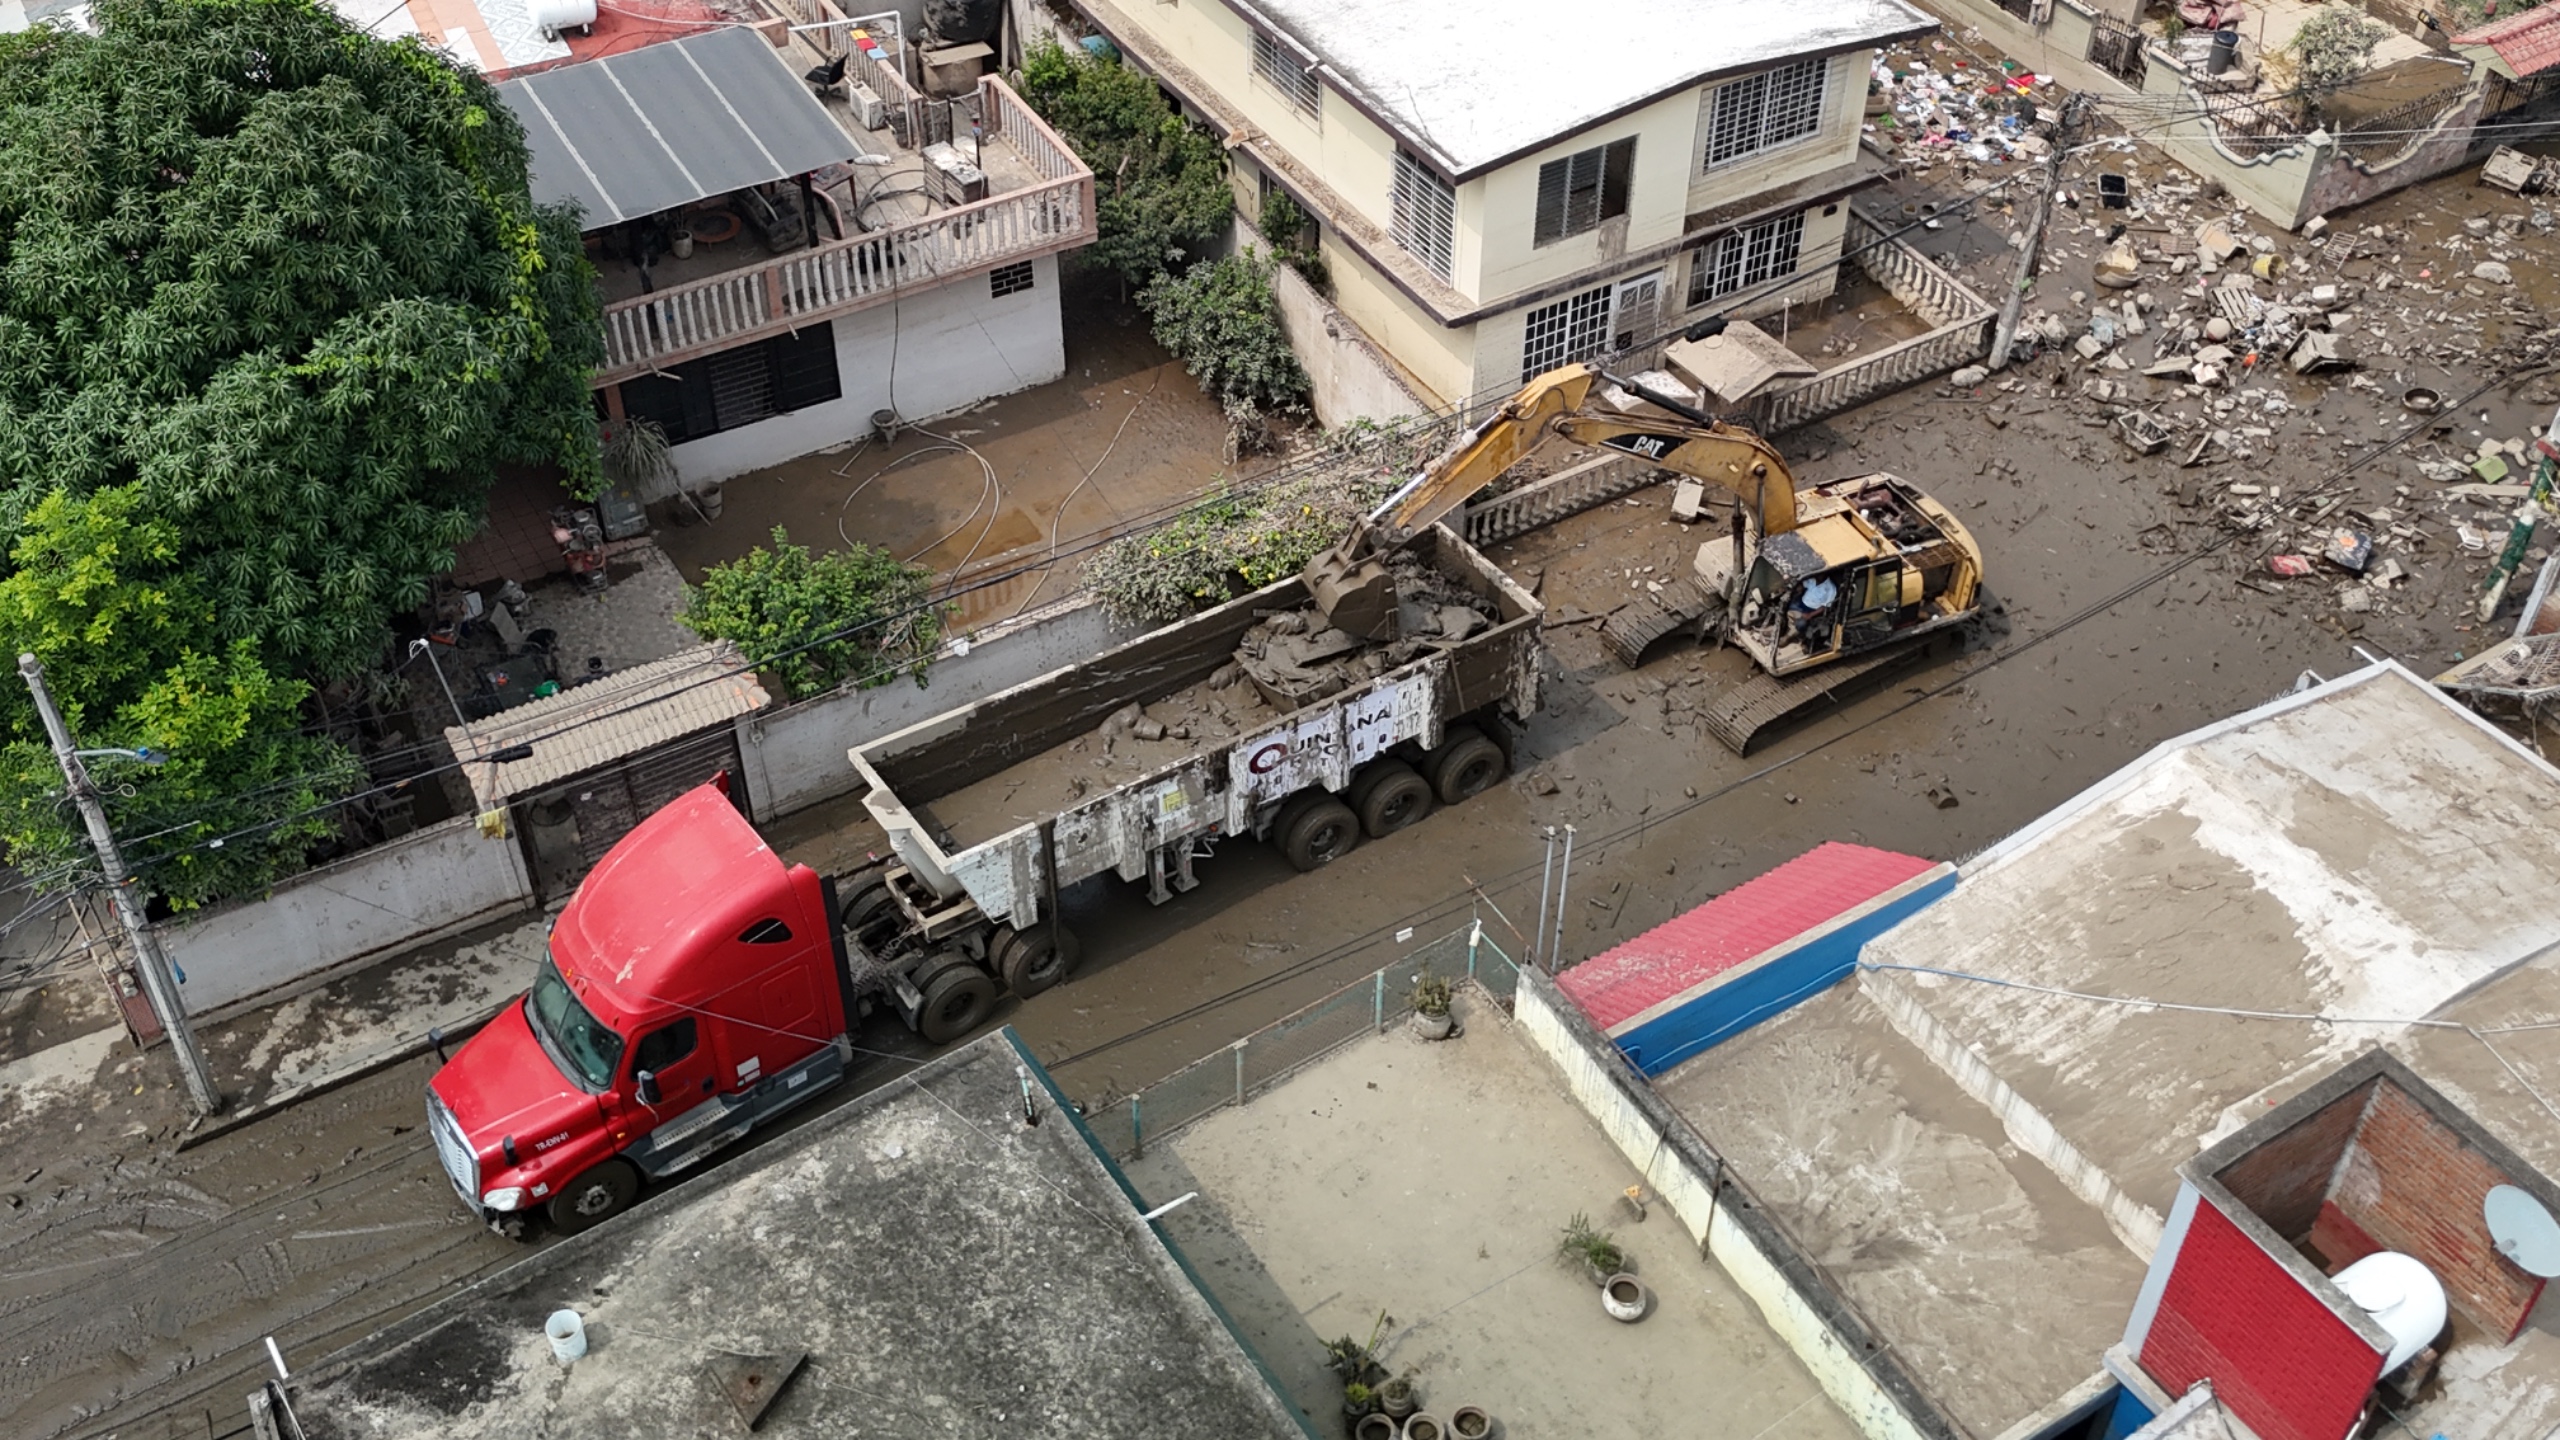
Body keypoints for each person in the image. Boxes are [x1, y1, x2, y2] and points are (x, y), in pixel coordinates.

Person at [1787, 575, 1838, 646]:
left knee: (1801, 623)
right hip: (1801, 602)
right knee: (1786, 606)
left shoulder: (1830, 589)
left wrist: (1810, 615)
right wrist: (1800, 587)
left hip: (1811, 610)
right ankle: (1790, 627)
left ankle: (1791, 636)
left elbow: (1824, 607)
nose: (1817, 577)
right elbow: (1803, 584)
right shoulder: (1813, 579)